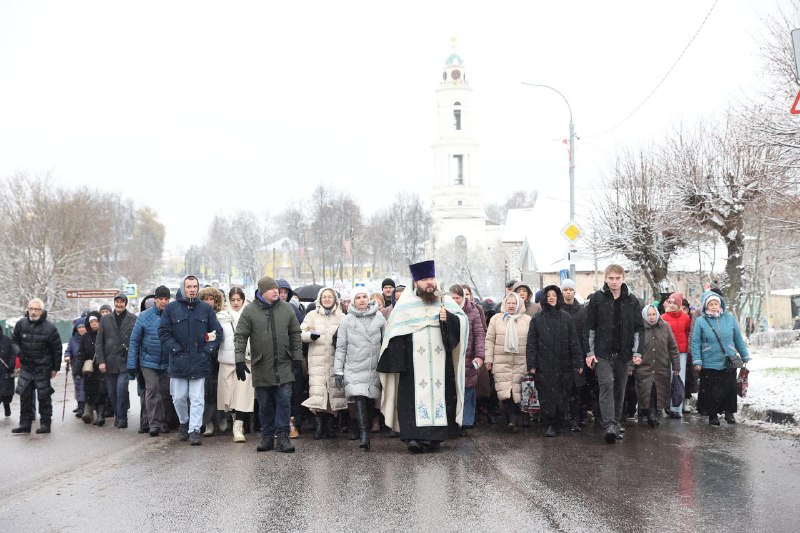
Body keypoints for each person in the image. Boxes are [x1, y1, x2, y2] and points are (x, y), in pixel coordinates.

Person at [377, 260, 467, 453]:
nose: (429, 283)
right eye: (425, 279)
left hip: (440, 362)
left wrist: (448, 320)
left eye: (431, 278)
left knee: (440, 396)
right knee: (412, 397)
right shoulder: (405, 305)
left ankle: (435, 438)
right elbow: (394, 331)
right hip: (412, 365)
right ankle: (413, 438)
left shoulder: (444, 301)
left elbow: (462, 322)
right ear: (416, 282)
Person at [234, 276, 302, 453]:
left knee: (284, 402)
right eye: (272, 289)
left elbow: (295, 334)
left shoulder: (287, 309)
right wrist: (239, 359)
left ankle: (283, 437)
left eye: (277, 289)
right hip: (261, 364)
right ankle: (266, 436)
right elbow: (240, 336)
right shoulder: (249, 311)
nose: (276, 291)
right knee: (265, 405)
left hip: (284, 364)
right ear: (262, 291)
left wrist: (297, 357)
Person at [159, 275, 223, 446]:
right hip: (178, 361)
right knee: (178, 398)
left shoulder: (205, 309)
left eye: (195, 286)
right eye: (189, 286)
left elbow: (217, 332)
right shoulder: (171, 309)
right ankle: (184, 421)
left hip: (199, 361)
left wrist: (208, 350)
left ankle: (194, 429)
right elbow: (163, 332)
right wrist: (175, 348)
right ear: (183, 288)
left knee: (197, 398)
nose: (192, 289)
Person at [584, 265, 644, 443]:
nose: (614, 281)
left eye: (617, 278)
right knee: (607, 384)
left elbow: (638, 329)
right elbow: (589, 328)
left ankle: (615, 422)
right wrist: (589, 352)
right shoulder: (597, 299)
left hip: (624, 353)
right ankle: (609, 423)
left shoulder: (632, 301)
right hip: (602, 353)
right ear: (605, 278)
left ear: (623, 278)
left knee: (619, 388)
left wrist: (637, 351)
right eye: (611, 278)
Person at [526, 285, 583, 437]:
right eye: (549, 295)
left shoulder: (566, 317)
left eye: (554, 295)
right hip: (544, 365)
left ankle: (559, 422)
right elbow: (531, 343)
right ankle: (549, 424)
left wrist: (578, 362)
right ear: (545, 297)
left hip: (564, 364)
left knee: (563, 395)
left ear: (558, 298)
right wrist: (531, 364)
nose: (551, 297)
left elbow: (574, 341)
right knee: (546, 396)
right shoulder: (537, 318)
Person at [334, 288, 386, 451]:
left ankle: (367, 429)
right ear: (353, 301)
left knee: (370, 401)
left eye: (365, 297)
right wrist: (338, 371)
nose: (362, 300)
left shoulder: (379, 318)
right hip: (354, 366)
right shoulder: (347, 321)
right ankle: (364, 435)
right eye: (358, 297)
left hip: (373, 367)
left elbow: (386, 343)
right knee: (359, 398)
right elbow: (341, 347)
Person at [691, 291, 750, 425]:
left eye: (716, 303)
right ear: (706, 307)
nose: (713, 306)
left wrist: (744, 355)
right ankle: (713, 415)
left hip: (728, 360)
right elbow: (695, 342)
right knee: (712, 390)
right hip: (709, 361)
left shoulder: (729, 318)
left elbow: (737, 338)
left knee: (729, 388)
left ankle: (729, 413)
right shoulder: (701, 321)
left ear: (720, 304)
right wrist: (697, 360)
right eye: (710, 304)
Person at [301, 287, 347, 439]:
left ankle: (330, 426)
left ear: (335, 299)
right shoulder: (312, 315)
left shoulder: (342, 316)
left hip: (335, 360)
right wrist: (311, 336)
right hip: (317, 361)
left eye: (330, 297)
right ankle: (319, 426)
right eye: (324, 297)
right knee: (318, 392)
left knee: (334, 393)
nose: (327, 299)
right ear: (320, 299)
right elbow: (302, 333)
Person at [11, 298, 62, 434]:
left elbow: (56, 349)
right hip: (26, 366)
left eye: (36, 309)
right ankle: (25, 424)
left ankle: (45, 424)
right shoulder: (21, 324)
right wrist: (20, 354)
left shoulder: (50, 328)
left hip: (43, 367)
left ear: (42, 311)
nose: (33, 312)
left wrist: (55, 368)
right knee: (25, 396)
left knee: (44, 397)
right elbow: (14, 341)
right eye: (31, 309)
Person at [127, 285, 171, 437]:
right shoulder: (144, 316)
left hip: (167, 361)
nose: (163, 302)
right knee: (152, 390)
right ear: (155, 299)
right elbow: (134, 341)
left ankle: (164, 422)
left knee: (165, 392)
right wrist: (132, 364)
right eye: (161, 299)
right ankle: (153, 424)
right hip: (148, 362)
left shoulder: (171, 315)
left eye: (166, 299)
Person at [485, 292, 531, 432]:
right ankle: (511, 419)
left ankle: (516, 417)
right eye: (508, 303)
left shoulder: (527, 320)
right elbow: (489, 340)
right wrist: (489, 359)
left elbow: (532, 342)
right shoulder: (496, 319)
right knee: (505, 392)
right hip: (501, 361)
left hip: (520, 361)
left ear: (519, 304)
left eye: (514, 303)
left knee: (518, 390)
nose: (511, 306)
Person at [217, 286, 254, 443]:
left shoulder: (250, 315)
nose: (236, 303)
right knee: (228, 394)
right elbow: (218, 335)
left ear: (243, 299)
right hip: (227, 360)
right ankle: (233, 420)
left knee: (243, 395)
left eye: (239, 299)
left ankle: (238, 426)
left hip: (245, 360)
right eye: (233, 300)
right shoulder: (221, 317)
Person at [95, 293, 137, 429]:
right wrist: (101, 361)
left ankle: (122, 418)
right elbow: (99, 342)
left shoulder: (133, 319)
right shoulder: (106, 319)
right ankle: (118, 415)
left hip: (125, 362)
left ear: (126, 303)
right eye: (117, 302)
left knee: (121, 389)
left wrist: (134, 360)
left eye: (122, 302)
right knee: (112, 392)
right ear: (114, 303)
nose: (119, 304)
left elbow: (136, 341)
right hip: (109, 362)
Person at [634, 304, 680, 428]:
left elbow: (673, 347)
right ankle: (649, 412)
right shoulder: (639, 329)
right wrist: (630, 366)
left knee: (658, 390)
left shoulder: (665, 327)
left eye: (654, 314)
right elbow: (632, 348)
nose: (652, 317)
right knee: (646, 391)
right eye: (649, 315)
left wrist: (676, 366)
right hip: (644, 367)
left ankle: (655, 412)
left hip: (661, 366)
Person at [449, 284, 485, 434]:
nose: (455, 301)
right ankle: (452, 422)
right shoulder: (446, 311)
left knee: (468, 389)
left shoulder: (473, 312)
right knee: (452, 391)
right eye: (452, 298)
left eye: (457, 298)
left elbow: (479, 335)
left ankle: (466, 422)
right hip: (451, 356)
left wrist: (479, 355)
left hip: (468, 357)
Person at [559, 279, 590, 431]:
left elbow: (585, 333)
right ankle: (565, 418)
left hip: (579, 354)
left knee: (579, 388)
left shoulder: (582, 311)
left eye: (570, 289)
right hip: (562, 355)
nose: (568, 292)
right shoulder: (558, 310)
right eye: (565, 290)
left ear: (574, 291)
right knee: (564, 388)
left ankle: (578, 418)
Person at [198, 287, 226, 437]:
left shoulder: (222, 316)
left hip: (220, 355)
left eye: (212, 299)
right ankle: (207, 421)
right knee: (206, 390)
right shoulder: (198, 315)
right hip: (204, 356)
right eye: (206, 299)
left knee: (220, 389)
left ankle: (221, 417)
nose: (209, 302)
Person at [661, 292, 692, 419]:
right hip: (667, 351)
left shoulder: (686, 318)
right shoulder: (663, 317)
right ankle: (666, 405)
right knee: (667, 378)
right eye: (670, 302)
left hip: (681, 351)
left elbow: (687, 332)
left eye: (675, 303)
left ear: (680, 305)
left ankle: (676, 407)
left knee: (679, 379)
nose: (672, 305)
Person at [63, 317, 87, 418]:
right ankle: (80, 406)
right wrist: (67, 356)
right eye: (79, 327)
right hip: (76, 366)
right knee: (78, 386)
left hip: (87, 366)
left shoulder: (89, 337)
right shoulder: (73, 339)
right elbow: (68, 350)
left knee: (86, 387)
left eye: (83, 327)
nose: (81, 329)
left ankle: (86, 407)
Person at [1, 327, 15, 417]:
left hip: (6, 369)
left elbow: (12, 353)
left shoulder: (7, 340)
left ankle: (7, 405)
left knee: (7, 392)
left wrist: (11, 365)